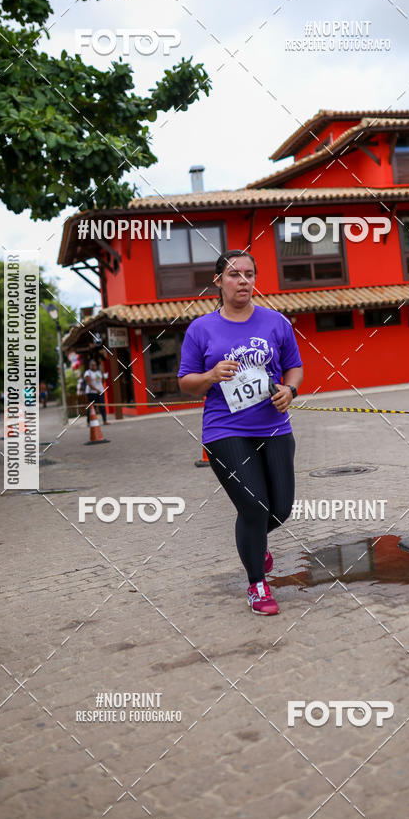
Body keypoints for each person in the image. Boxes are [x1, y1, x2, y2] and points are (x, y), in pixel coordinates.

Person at [178, 250, 303, 616]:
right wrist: (210, 375)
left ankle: (256, 543)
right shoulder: (201, 329)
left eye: (249, 273)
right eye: (234, 274)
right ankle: (257, 584)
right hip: (225, 429)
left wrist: (290, 390)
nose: (243, 280)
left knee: (280, 509)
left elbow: (294, 367)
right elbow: (186, 383)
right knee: (253, 506)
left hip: (274, 426)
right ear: (219, 281)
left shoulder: (276, 322)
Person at [83, 358, 107, 424]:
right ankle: (89, 421)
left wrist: (103, 373)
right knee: (91, 407)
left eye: (95, 365)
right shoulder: (87, 373)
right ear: (90, 366)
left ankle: (105, 420)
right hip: (91, 393)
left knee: (102, 406)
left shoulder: (98, 372)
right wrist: (96, 390)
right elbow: (89, 383)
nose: (94, 366)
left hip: (100, 391)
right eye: (92, 365)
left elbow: (103, 381)